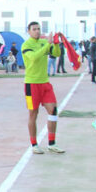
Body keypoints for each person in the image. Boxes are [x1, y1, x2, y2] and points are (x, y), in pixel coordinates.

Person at [21, 22, 64, 154]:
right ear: (28, 31)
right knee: (33, 113)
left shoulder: (43, 42)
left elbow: (56, 54)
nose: (37, 31)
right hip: (31, 84)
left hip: (45, 83)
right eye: (34, 29)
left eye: (39, 29)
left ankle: (52, 143)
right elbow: (33, 57)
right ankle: (34, 144)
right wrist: (47, 44)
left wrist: (55, 43)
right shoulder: (26, 45)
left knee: (53, 110)